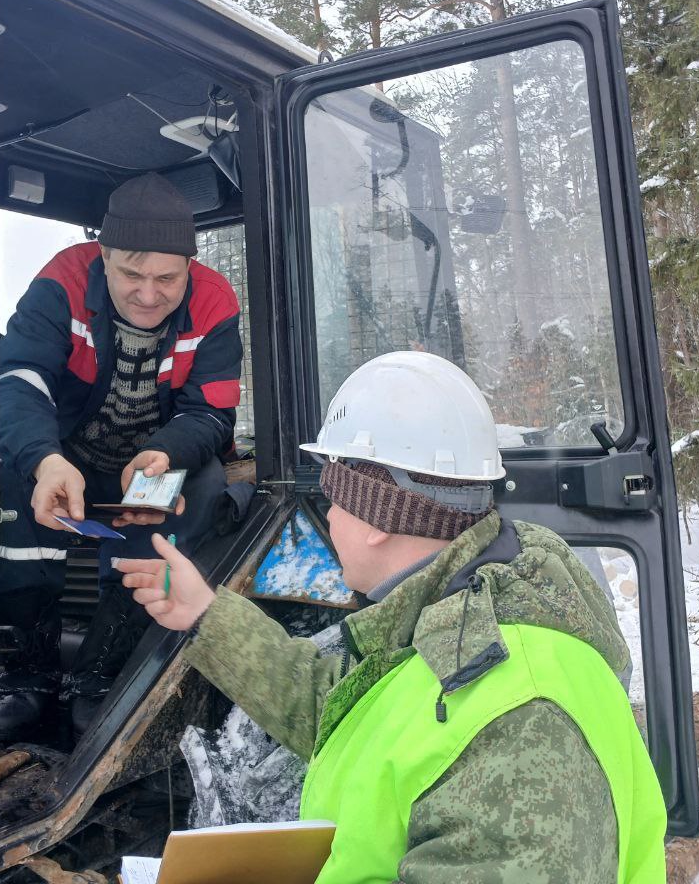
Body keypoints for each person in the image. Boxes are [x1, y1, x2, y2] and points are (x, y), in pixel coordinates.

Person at [117, 352, 666, 883]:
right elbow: (354, 718)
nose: (328, 512)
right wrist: (205, 613)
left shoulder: (523, 726)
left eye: (334, 494)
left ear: (377, 517)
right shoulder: (461, 612)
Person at [0, 172, 242, 741]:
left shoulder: (218, 303)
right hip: (65, 454)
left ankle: (102, 671)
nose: (149, 294)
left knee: (204, 485)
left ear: (190, 269)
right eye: (131, 273)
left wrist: (164, 451)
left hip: (152, 462)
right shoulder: (61, 284)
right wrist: (43, 459)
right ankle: (31, 668)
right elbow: (18, 378)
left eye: (167, 279)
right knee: (6, 478)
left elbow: (213, 413)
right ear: (102, 257)